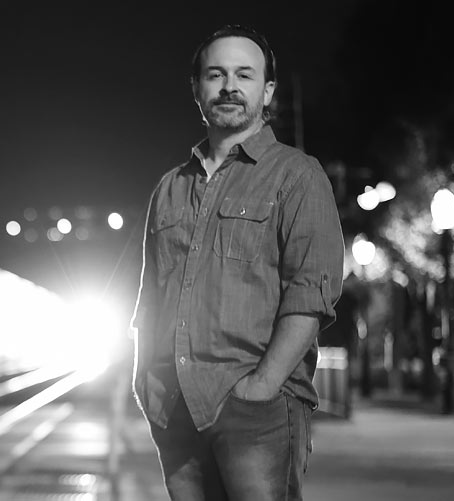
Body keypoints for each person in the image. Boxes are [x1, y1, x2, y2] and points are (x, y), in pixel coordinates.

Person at [130, 24, 344, 501]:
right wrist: (146, 381)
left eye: (244, 75)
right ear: (197, 88)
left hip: (254, 407)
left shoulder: (297, 175)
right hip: (176, 405)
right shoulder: (170, 188)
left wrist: (262, 386)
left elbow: (311, 295)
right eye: (216, 74)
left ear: (266, 90)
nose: (229, 86)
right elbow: (150, 298)